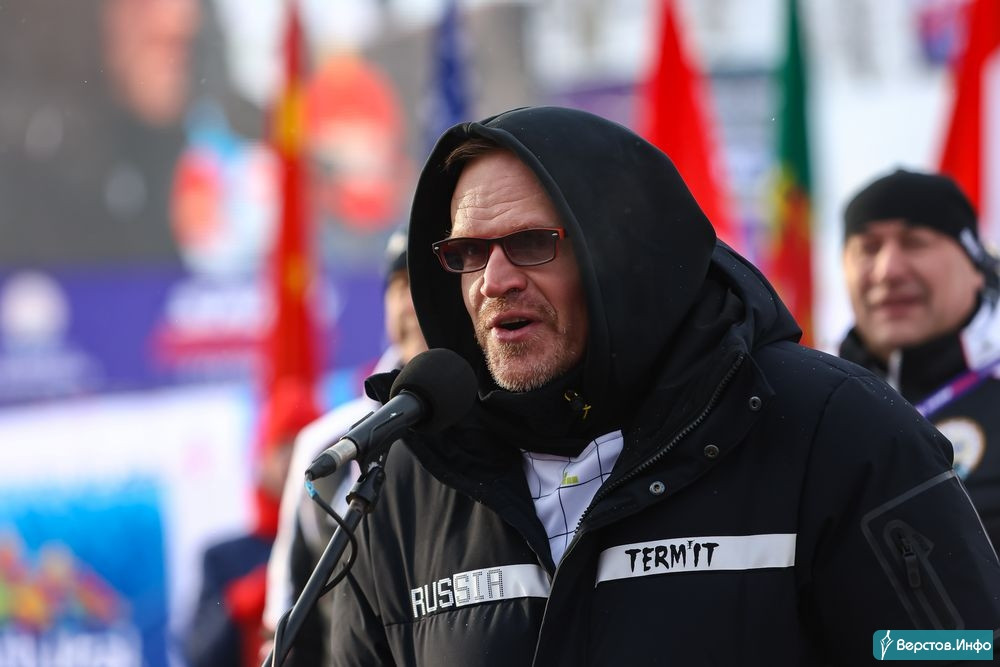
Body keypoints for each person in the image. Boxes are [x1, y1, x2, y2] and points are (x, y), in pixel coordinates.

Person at [323, 107, 1000, 665]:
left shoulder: (837, 428)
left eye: (530, 243)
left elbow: (957, 649)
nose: (493, 281)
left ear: (623, 253)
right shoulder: (409, 476)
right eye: (467, 253)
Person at [262, 227, 427, 665]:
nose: (410, 304)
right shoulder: (328, 444)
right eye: (399, 286)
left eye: (425, 282)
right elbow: (288, 616)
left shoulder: (504, 425)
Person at [838, 168, 1000, 551]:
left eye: (914, 243)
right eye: (868, 248)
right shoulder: (800, 405)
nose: (888, 271)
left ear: (975, 267)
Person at [185, 378, 318, 667]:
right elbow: (197, 655)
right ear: (262, 457)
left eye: (305, 445)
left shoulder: (338, 542)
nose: (294, 459)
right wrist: (234, 606)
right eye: (284, 446)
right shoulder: (222, 559)